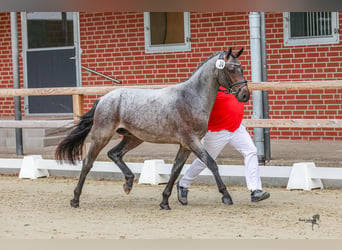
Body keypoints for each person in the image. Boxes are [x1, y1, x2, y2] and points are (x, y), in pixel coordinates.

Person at [177, 86, 270, 205]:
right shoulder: (212, 88)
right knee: (204, 161)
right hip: (217, 131)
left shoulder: (233, 84)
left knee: (251, 151)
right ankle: (183, 184)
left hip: (236, 128)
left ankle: (255, 190)